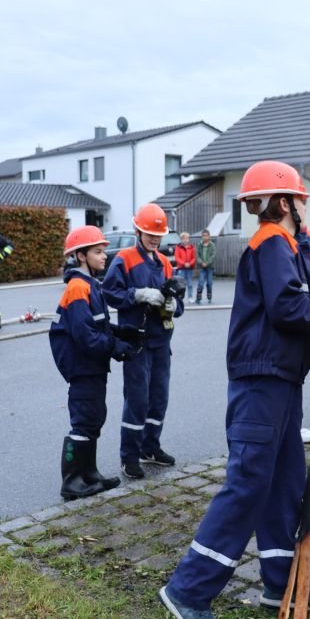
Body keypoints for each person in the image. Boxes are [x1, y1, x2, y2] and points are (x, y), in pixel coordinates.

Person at [158, 160, 310, 619]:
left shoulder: (291, 248)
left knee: (283, 482)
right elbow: (290, 307)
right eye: (301, 199)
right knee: (249, 483)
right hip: (261, 382)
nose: (304, 204)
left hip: (281, 382)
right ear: (286, 202)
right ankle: (188, 590)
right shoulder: (271, 244)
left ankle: (278, 582)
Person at [49, 225, 137, 500]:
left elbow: (97, 325)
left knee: (94, 418)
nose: (104, 256)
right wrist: (115, 347)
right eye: (98, 251)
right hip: (82, 367)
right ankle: (72, 482)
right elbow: (85, 335)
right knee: (84, 421)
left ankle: (89, 474)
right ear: (81, 256)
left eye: (103, 251)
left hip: (92, 366)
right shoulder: (78, 287)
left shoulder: (90, 285)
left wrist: (120, 332)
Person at [102, 202, 184, 479]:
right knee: (137, 400)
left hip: (161, 342)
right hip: (136, 343)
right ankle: (129, 456)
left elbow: (179, 302)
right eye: (150, 234)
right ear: (138, 231)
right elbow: (109, 293)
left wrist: (174, 306)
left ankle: (150, 447)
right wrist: (137, 295)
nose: (155, 239)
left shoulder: (164, 263)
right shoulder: (124, 259)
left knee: (159, 398)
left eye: (158, 235)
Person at [195, 229, 216, 304]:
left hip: (210, 267)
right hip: (202, 267)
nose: (205, 237)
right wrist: (201, 262)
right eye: (204, 236)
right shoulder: (199, 245)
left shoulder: (212, 245)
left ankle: (209, 298)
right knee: (201, 283)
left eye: (206, 236)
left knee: (209, 283)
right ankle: (198, 298)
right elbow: (197, 255)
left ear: (209, 236)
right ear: (202, 237)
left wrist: (207, 263)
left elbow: (213, 256)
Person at [174, 232, 196, 300]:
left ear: (188, 239)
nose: (185, 240)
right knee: (180, 284)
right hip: (181, 268)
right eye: (183, 239)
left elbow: (194, 258)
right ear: (181, 239)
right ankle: (180, 297)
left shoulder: (192, 247)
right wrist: (184, 263)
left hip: (189, 268)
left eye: (187, 238)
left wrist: (190, 264)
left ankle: (190, 297)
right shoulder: (178, 247)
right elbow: (177, 258)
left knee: (190, 283)